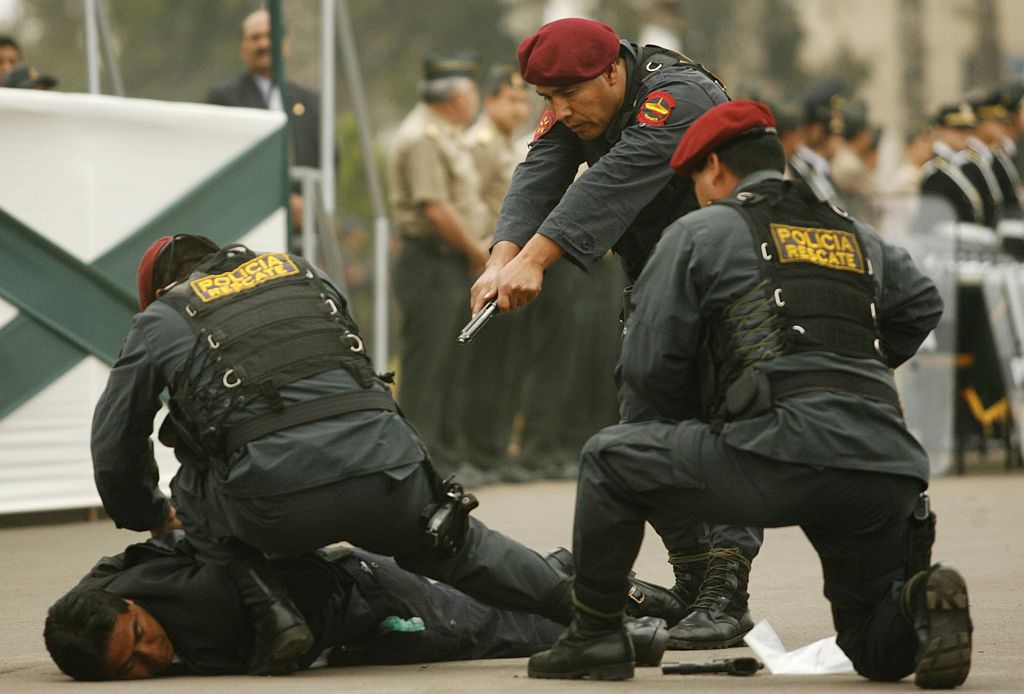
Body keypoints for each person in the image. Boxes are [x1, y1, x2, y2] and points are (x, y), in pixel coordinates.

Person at [527, 100, 972, 690]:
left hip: (775, 452)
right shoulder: (852, 230)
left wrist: (716, 406)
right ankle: (919, 604)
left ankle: (595, 637)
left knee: (609, 459)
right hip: (885, 464)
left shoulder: (700, 231)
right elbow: (921, 305)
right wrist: (848, 369)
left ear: (713, 168)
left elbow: (646, 371)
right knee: (872, 645)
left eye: (694, 184)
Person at [94, 234, 635, 676]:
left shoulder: (164, 317)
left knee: (190, 488)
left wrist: (148, 514)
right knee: (460, 547)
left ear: (166, 286)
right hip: (388, 472)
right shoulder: (303, 271)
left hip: (273, 508)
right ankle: (599, 619)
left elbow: (116, 442)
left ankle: (273, 611)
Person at [469, 17, 761, 651]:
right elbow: (539, 170)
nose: (560, 110)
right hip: (658, 282)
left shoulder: (674, 97)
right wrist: (500, 256)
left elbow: (613, 181)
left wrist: (535, 261)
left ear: (612, 72)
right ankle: (692, 581)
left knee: (722, 428)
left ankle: (726, 592)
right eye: (548, 99)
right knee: (641, 428)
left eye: (569, 95)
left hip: (727, 280)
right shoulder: (576, 102)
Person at [44, 530, 570, 680]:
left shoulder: (206, 604)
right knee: (484, 610)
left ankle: (606, 620)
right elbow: (80, 599)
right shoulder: (104, 591)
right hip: (349, 631)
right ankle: (558, 573)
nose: (150, 657)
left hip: (368, 599)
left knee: (493, 631)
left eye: (138, 636)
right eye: (127, 668)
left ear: (125, 603)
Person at [388, 54, 489, 478]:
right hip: (430, 259)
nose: (475, 101)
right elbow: (436, 209)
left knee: (450, 362)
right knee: (428, 366)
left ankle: (445, 457)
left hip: (448, 261)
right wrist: (475, 251)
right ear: (455, 96)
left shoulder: (446, 134)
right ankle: (419, 460)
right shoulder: (423, 137)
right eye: (471, 93)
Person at [206, 9, 322, 233]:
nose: (263, 44)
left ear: (286, 45)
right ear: (242, 49)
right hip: (248, 226)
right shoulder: (223, 98)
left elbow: (326, 160)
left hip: (304, 232)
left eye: (270, 36)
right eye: (255, 37)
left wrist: (309, 206)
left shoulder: (310, 102)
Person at [920, 103, 985, 225]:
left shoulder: (968, 165)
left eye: (967, 130)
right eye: (958, 130)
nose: (965, 135)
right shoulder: (933, 169)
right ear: (940, 129)